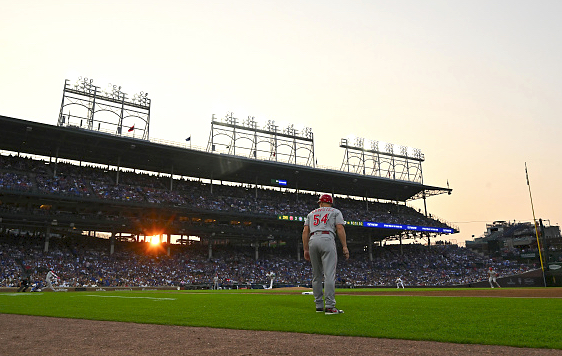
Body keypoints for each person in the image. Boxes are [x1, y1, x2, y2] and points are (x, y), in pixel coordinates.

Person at [302, 193, 349, 315]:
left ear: (321, 203)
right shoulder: (335, 211)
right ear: (331, 203)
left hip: (313, 240)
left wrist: (305, 249)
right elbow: (340, 228)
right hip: (327, 238)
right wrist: (344, 246)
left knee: (316, 275)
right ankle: (329, 306)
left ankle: (318, 305)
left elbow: (305, 231)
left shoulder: (311, 213)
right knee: (329, 274)